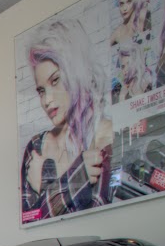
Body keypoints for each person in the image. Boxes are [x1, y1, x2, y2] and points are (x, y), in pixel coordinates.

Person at [21, 19, 114, 220]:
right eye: (41, 90)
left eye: (55, 81)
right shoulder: (35, 148)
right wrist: (77, 177)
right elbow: (31, 219)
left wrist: (45, 187)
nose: (47, 100)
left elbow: (97, 216)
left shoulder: (104, 135)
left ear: (76, 73)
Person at [108, 0, 149, 102]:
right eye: (121, 4)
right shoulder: (118, 32)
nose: (124, 8)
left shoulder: (142, 22)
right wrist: (122, 95)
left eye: (129, 2)